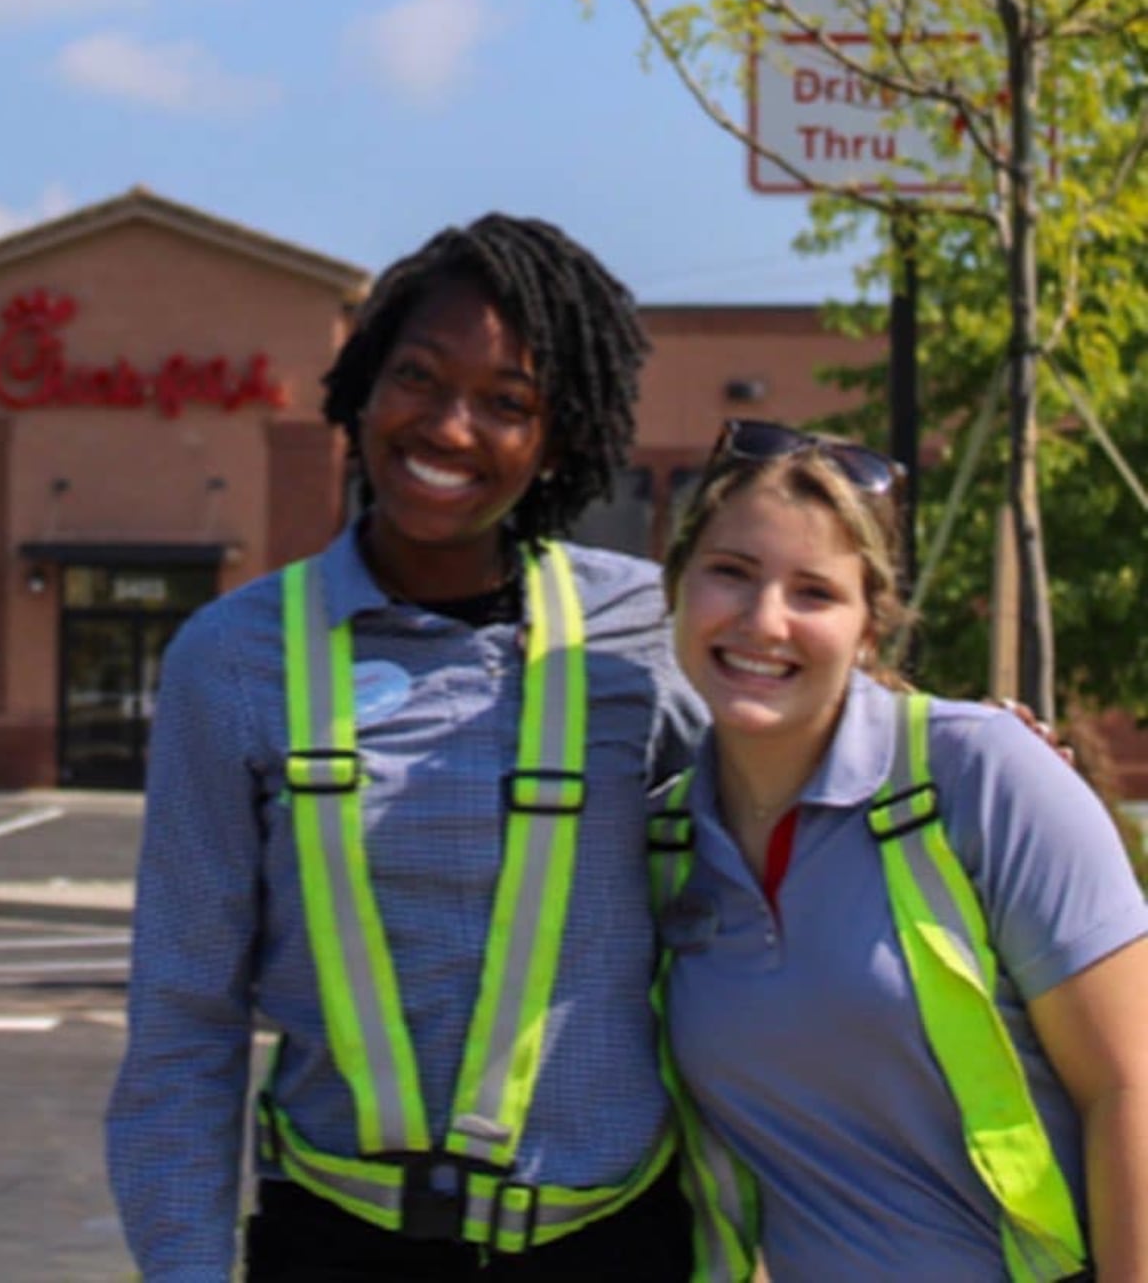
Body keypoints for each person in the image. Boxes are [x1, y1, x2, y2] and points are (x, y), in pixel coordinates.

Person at [106, 213, 706, 1280]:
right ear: (361, 391)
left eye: (507, 404)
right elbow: (184, 1021)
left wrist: (993, 760)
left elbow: (821, 804)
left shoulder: (652, 635)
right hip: (335, 1245)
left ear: (559, 439)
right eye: (418, 380)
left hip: (612, 1246)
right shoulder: (232, 661)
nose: (449, 428)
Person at [651, 418, 1148, 1281]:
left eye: (814, 592)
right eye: (731, 573)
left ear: (871, 627)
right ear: (677, 588)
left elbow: (1130, 1088)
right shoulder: (659, 848)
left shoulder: (984, 775)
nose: (764, 620)